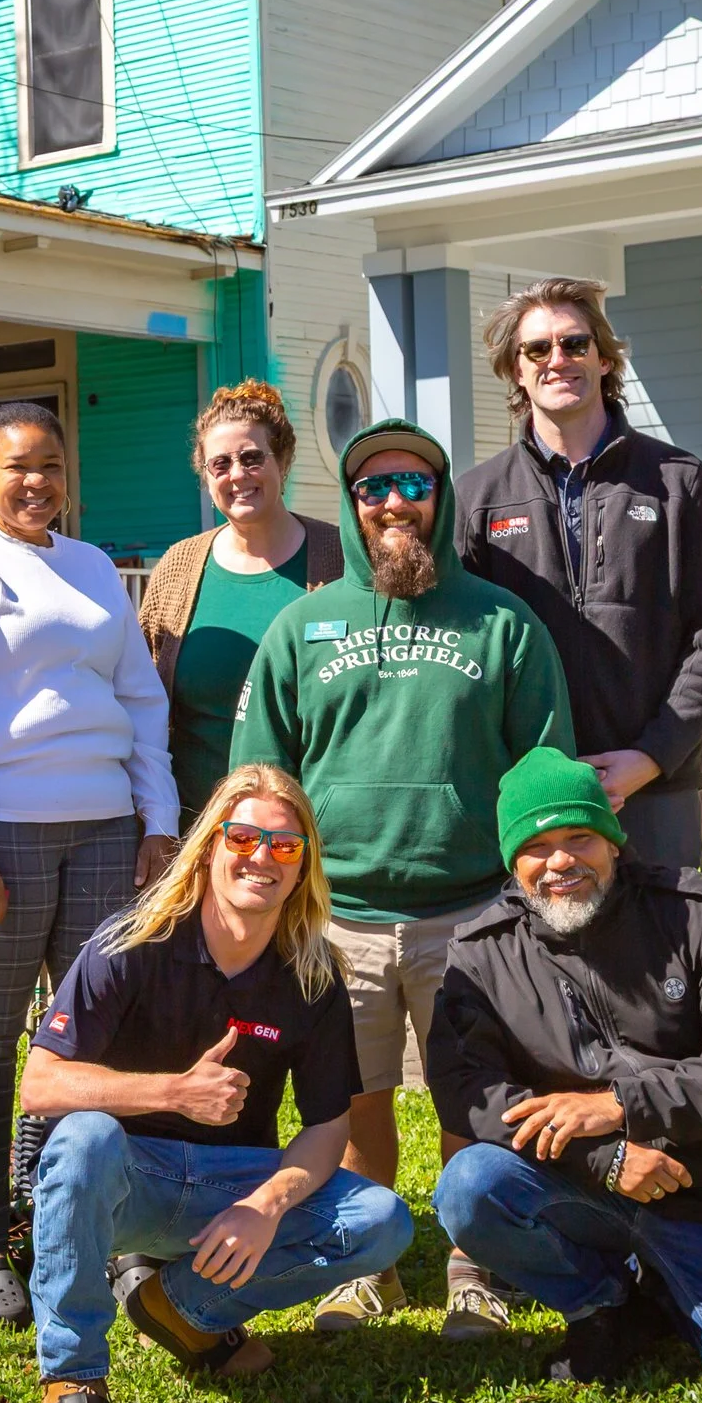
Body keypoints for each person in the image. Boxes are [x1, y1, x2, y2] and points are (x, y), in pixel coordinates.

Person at [231, 416, 575, 1343]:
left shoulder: (503, 623)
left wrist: (531, 900)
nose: (393, 504)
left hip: (471, 912)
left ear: (442, 500)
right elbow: (261, 779)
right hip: (338, 915)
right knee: (354, 1095)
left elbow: (543, 769)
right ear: (350, 507)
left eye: (413, 486)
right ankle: (370, 1259)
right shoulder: (302, 629)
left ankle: (476, 1265)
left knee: (473, 1095)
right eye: (373, 488)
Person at [21, 763, 412, 1403]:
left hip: (229, 1193)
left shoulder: (313, 973)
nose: (260, 857)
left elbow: (328, 1126)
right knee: (82, 1136)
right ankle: (73, 1383)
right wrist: (176, 1092)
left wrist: (266, 1205)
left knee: (382, 1219)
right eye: (243, 837)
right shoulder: (128, 944)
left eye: (284, 847)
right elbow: (41, 1084)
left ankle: (180, 1308)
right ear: (209, 848)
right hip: (125, 1181)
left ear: (303, 869)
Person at [428, 749, 702, 1403]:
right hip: (583, 1188)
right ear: (512, 861)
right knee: (470, 1186)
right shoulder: (481, 954)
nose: (559, 862)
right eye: (536, 845)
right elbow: (469, 1093)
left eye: (579, 837)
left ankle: (663, 1291)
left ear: (613, 839)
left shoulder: (696, 913)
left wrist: (621, 1105)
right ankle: (601, 1302)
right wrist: (606, 1158)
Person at [0, 400, 179, 1330]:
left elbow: (140, 700)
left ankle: (80, 1221)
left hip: (105, 828)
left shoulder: (95, 567)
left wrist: (159, 819)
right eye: (16, 466)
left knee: (94, 1038)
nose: (36, 482)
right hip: (2, 839)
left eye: (51, 466)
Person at [457, 278, 702, 870]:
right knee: (544, 958)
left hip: (655, 790)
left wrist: (653, 756)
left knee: (667, 956)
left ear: (604, 358)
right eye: (538, 349)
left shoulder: (677, 481)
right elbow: (464, 646)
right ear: (516, 369)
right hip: (533, 792)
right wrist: (518, 767)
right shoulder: (477, 498)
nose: (557, 359)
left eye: (574, 343)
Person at [138, 380, 342, 824]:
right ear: (205, 475)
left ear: (283, 460)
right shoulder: (178, 569)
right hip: (196, 829)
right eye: (220, 464)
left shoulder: (342, 558)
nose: (237, 475)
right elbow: (141, 699)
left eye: (252, 458)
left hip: (314, 829)